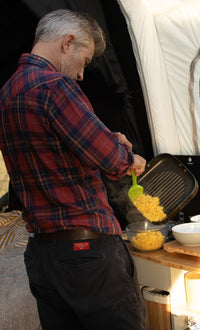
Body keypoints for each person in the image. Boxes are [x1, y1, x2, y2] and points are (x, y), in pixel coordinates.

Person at [0, 9, 147, 329]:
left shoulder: (7, 93)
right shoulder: (55, 87)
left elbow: (54, 153)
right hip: (86, 254)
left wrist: (106, 141)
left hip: (42, 254)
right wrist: (128, 154)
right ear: (68, 43)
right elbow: (112, 160)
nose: (82, 74)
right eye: (85, 60)